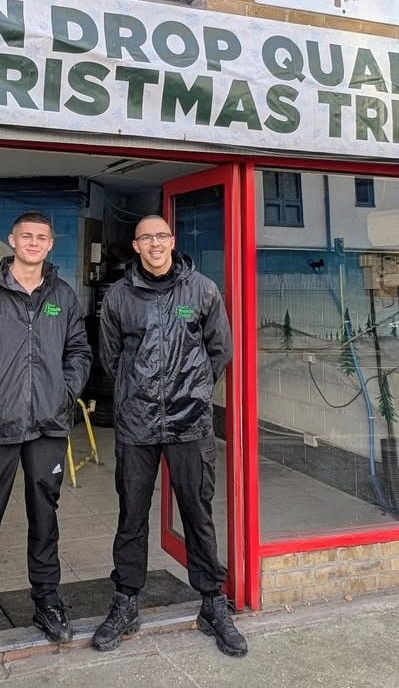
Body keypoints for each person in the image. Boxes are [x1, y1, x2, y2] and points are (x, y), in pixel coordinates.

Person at [92, 215, 247, 658]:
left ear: (172, 241)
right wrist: (135, 394)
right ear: (136, 246)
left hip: (189, 422)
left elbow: (220, 349)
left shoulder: (202, 290)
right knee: (132, 514)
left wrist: (193, 391)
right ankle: (126, 601)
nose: (155, 244)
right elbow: (110, 356)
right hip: (136, 422)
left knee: (197, 512)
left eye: (161, 236)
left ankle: (212, 602)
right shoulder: (119, 296)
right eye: (147, 238)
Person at [0, 212, 92, 661]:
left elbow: (79, 351)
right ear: (12, 240)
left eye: (42, 237)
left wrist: (64, 392)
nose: (33, 242)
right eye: (26, 236)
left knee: (45, 518)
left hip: (47, 426)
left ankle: (47, 602)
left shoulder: (62, 296)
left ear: (50, 244)